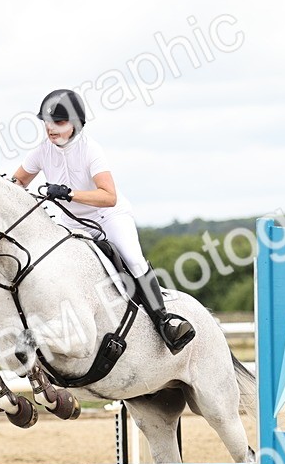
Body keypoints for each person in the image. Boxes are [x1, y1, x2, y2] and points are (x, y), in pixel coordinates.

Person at [11, 89, 195, 354]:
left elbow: (109, 197)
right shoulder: (41, 152)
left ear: (76, 124)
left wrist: (68, 193)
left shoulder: (90, 151)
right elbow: (17, 183)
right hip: (70, 221)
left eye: (59, 123)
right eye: (47, 123)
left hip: (107, 216)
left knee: (133, 258)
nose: (51, 129)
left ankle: (164, 321)